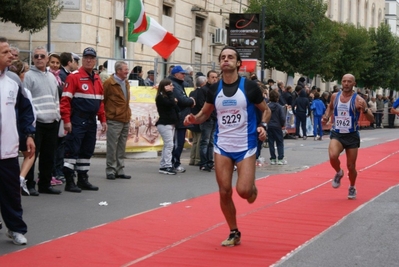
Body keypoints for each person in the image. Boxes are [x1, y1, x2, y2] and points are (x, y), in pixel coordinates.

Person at [183, 46, 271, 247]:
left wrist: (263, 126)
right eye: (223, 57)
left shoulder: (249, 87)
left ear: (238, 63)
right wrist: (193, 119)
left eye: (230, 57)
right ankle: (234, 232)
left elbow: (265, 111)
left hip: (246, 144)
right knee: (224, 191)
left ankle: (251, 188)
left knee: (243, 191)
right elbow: (205, 114)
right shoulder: (213, 89)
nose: (226, 60)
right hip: (222, 145)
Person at [0, 36, 35, 245]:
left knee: (11, 193)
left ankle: (15, 229)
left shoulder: (13, 80)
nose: (10, 56)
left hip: (7, 150)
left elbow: (25, 110)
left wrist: (29, 135)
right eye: (4, 53)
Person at [61, 47, 107, 193]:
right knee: (72, 151)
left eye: (91, 58)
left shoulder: (97, 78)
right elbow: (65, 101)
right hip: (77, 120)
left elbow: (100, 102)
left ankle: (82, 179)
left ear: (95, 61)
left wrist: (103, 119)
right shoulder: (74, 77)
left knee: (87, 151)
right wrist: (67, 120)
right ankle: (69, 181)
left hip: (91, 121)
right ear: (82, 59)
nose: (89, 60)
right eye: (86, 57)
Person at [322, 74, 374, 200]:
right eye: (344, 81)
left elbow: (371, 119)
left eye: (349, 82)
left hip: (352, 135)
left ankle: (352, 186)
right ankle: (339, 172)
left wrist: (365, 110)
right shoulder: (335, 96)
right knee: (333, 156)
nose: (346, 84)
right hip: (337, 133)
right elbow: (330, 107)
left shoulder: (359, 100)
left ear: (354, 84)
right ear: (341, 82)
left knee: (351, 166)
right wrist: (326, 116)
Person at [23, 46, 62, 196]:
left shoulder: (52, 77)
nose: (39, 58)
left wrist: (57, 115)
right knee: (32, 155)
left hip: (52, 121)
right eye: (36, 56)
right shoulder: (28, 76)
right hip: (36, 123)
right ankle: (28, 184)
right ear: (33, 59)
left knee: (48, 155)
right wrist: (30, 123)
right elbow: (26, 100)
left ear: (47, 59)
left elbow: (56, 98)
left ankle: (45, 184)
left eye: (42, 56)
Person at [8, 60, 37, 195]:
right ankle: (20, 178)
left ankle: (17, 180)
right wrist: (30, 132)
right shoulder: (22, 89)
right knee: (29, 154)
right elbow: (29, 111)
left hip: (14, 128)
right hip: (18, 129)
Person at [103, 61, 132, 180]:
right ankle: (110, 170)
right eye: (125, 69)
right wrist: (105, 116)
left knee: (121, 146)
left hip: (125, 118)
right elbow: (103, 100)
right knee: (112, 146)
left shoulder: (125, 82)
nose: (127, 71)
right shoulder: (109, 83)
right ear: (118, 71)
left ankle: (120, 169)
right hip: (114, 119)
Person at [169, 65, 195, 173]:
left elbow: (183, 98)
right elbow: (181, 100)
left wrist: (188, 100)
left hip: (181, 117)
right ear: (176, 74)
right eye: (182, 73)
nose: (184, 75)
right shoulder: (174, 85)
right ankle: (174, 163)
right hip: (178, 117)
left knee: (179, 142)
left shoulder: (178, 84)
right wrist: (191, 101)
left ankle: (175, 162)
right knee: (177, 143)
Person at [155, 79, 179, 175]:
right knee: (169, 145)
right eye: (170, 85)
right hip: (165, 124)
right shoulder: (161, 97)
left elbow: (176, 107)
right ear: (165, 86)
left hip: (170, 123)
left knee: (168, 145)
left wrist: (173, 99)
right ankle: (166, 165)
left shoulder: (167, 97)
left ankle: (164, 164)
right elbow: (170, 104)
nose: (172, 87)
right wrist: (170, 95)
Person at [196, 70, 219, 171]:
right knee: (205, 141)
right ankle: (203, 162)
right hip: (207, 119)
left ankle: (210, 162)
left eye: (216, 77)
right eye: (212, 77)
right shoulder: (203, 90)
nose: (214, 79)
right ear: (208, 78)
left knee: (211, 142)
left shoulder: (217, 89)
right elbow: (202, 105)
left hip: (215, 118)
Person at [188, 76, 207, 167]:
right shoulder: (202, 92)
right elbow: (202, 105)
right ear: (203, 83)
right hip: (199, 118)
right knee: (199, 140)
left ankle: (192, 158)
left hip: (192, 117)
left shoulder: (192, 92)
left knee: (195, 140)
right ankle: (197, 159)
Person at [267, 90, 286, 165]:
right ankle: (280, 158)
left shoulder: (267, 106)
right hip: (277, 126)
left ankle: (273, 158)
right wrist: (282, 124)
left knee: (271, 142)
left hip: (270, 126)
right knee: (279, 142)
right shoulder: (279, 107)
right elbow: (282, 117)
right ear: (277, 98)